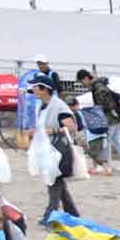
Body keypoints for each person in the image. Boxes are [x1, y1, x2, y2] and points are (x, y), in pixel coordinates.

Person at [32, 77, 80, 223]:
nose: (33, 90)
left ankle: (50, 215)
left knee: (54, 180)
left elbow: (71, 127)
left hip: (59, 149)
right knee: (56, 181)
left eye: (36, 87)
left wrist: (51, 131)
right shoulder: (41, 105)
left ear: (45, 89)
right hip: (48, 149)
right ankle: (72, 213)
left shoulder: (58, 105)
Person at [77, 70, 120, 174]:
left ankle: (107, 167)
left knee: (106, 143)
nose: (82, 84)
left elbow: (106, 105)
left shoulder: (98, 88)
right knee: (116, 141)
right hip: (115, 117)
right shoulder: (100, 86)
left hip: (109, 119)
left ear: (85, 78)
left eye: (82, 81)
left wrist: (96, 111)